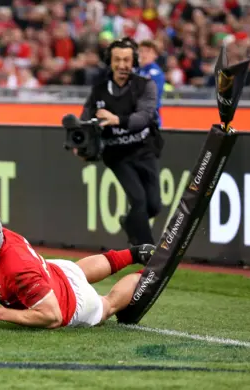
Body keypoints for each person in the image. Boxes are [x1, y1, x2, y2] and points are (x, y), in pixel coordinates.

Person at [0, 205, 155, 329]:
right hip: (53, 271)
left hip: (71, 304)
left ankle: (148, 273)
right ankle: (135, 253)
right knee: (76, 271)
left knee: (108, 305)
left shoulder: (19, 271)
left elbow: (52, 316)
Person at [79, 37, 162, 246]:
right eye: (117, 60)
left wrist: (117, 120)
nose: (122, 65)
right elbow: (85, 120)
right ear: (110, 61)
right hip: (117, 155)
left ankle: (130, 223)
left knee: (154, 205)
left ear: (133, 61)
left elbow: (144, 117)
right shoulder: (98, 90)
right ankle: (149, 255)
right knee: (139, 200)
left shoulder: (146, 86)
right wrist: (82, 144)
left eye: (127, 60)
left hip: (144, 150)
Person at [138, 40, 166, 128]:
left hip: (150, 118)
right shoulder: (136, 71)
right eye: (141, 51)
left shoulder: (155, 73)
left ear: (155, 55)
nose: (144, 54)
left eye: (148, 51)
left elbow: (153, 97)